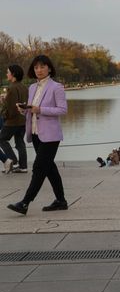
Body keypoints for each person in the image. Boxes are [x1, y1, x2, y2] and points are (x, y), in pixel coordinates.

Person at [7, 55, 68, 215]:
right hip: (35, 133)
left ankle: (25, 203)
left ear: (49, 68)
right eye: (36, 67)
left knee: (39, 167)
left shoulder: (57, 87)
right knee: (50, 168)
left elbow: (62, 110)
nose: (39, 70)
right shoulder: (32, 88)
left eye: (42, 67)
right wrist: (24, 109)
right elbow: (32, 109)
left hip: (50, 136)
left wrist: (40, 110)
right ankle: (61, 201)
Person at [0, 64, 28, 174]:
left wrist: (4, 117)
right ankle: (23, 166)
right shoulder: (24, 87)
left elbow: (11, 109)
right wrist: (5, 100)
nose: (7, 74)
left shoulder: (11, 88)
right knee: (20, 142)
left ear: (13, 74)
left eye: (8, 72)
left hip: (12, 121)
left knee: (1, 139)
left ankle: (13, 161)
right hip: (23, 120)